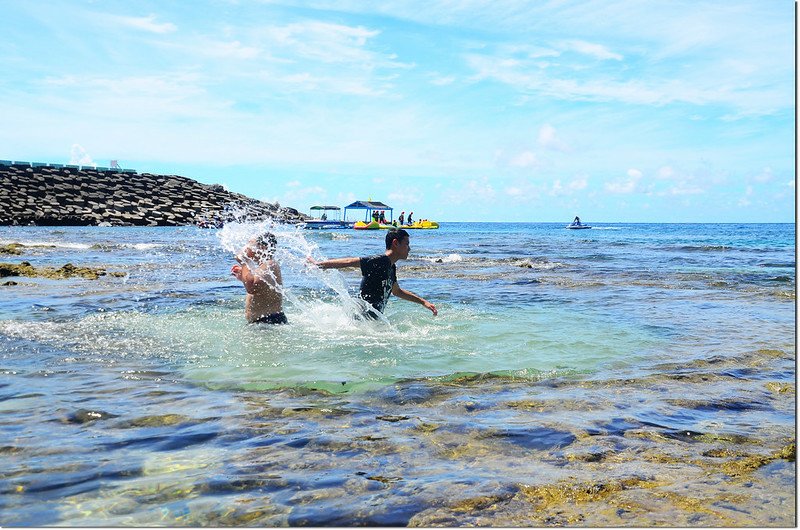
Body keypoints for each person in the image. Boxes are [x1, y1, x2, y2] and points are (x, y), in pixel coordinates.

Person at [308, 229, 437, 318]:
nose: (409, 248)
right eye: (407, 244)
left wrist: (423, 302)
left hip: (372, 319)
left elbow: (397, 291)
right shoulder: (379, 261)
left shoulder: (391, 267)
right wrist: (319, 265)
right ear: (396, 243)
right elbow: (348, 261)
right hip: (362, 318)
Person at [231, 232, 287, 324]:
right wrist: (243, 278)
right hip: (264, 322)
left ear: (262, 248)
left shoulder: (270, 264)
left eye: (249, 244)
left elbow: (252, 287)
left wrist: (244, 261)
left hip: (269, 322)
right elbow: (260, 287)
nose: (246, 248)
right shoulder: (264, 266)